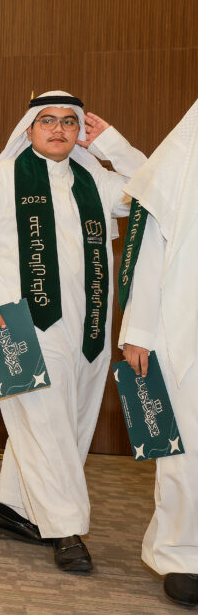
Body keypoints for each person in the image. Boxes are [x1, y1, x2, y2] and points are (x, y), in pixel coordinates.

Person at [0, 91, 146, 572]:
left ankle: (13, 510)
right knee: (46, 423)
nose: (58, 129)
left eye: (68, 122)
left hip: (89, 326)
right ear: (29, 129)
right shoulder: (1, 177)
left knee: (71, 422)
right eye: (47, 121)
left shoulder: (95, 180)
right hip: (18, 324)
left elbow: (151, 189)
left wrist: (113, 145)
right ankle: (66, 528)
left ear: (80, 132)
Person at [118, 97, 198, 607]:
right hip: (185, 328)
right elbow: (149, 250)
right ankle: (183, 554)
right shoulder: (182, 157)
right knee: (187, 451)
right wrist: (139, 330)